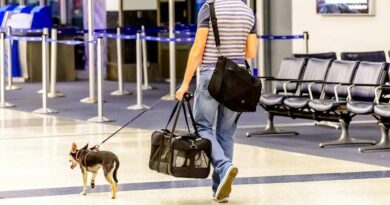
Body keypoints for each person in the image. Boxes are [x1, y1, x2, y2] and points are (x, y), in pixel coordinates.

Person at [175, 0, 257, 203]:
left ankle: (223, 166)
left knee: (202, 126)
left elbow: (197, 50)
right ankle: (219, 191)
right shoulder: (248, 11)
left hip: (211, 75)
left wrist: (185, 83)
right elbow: (251, 52)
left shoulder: (208, 8)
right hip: (238, 78)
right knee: (226, 132)